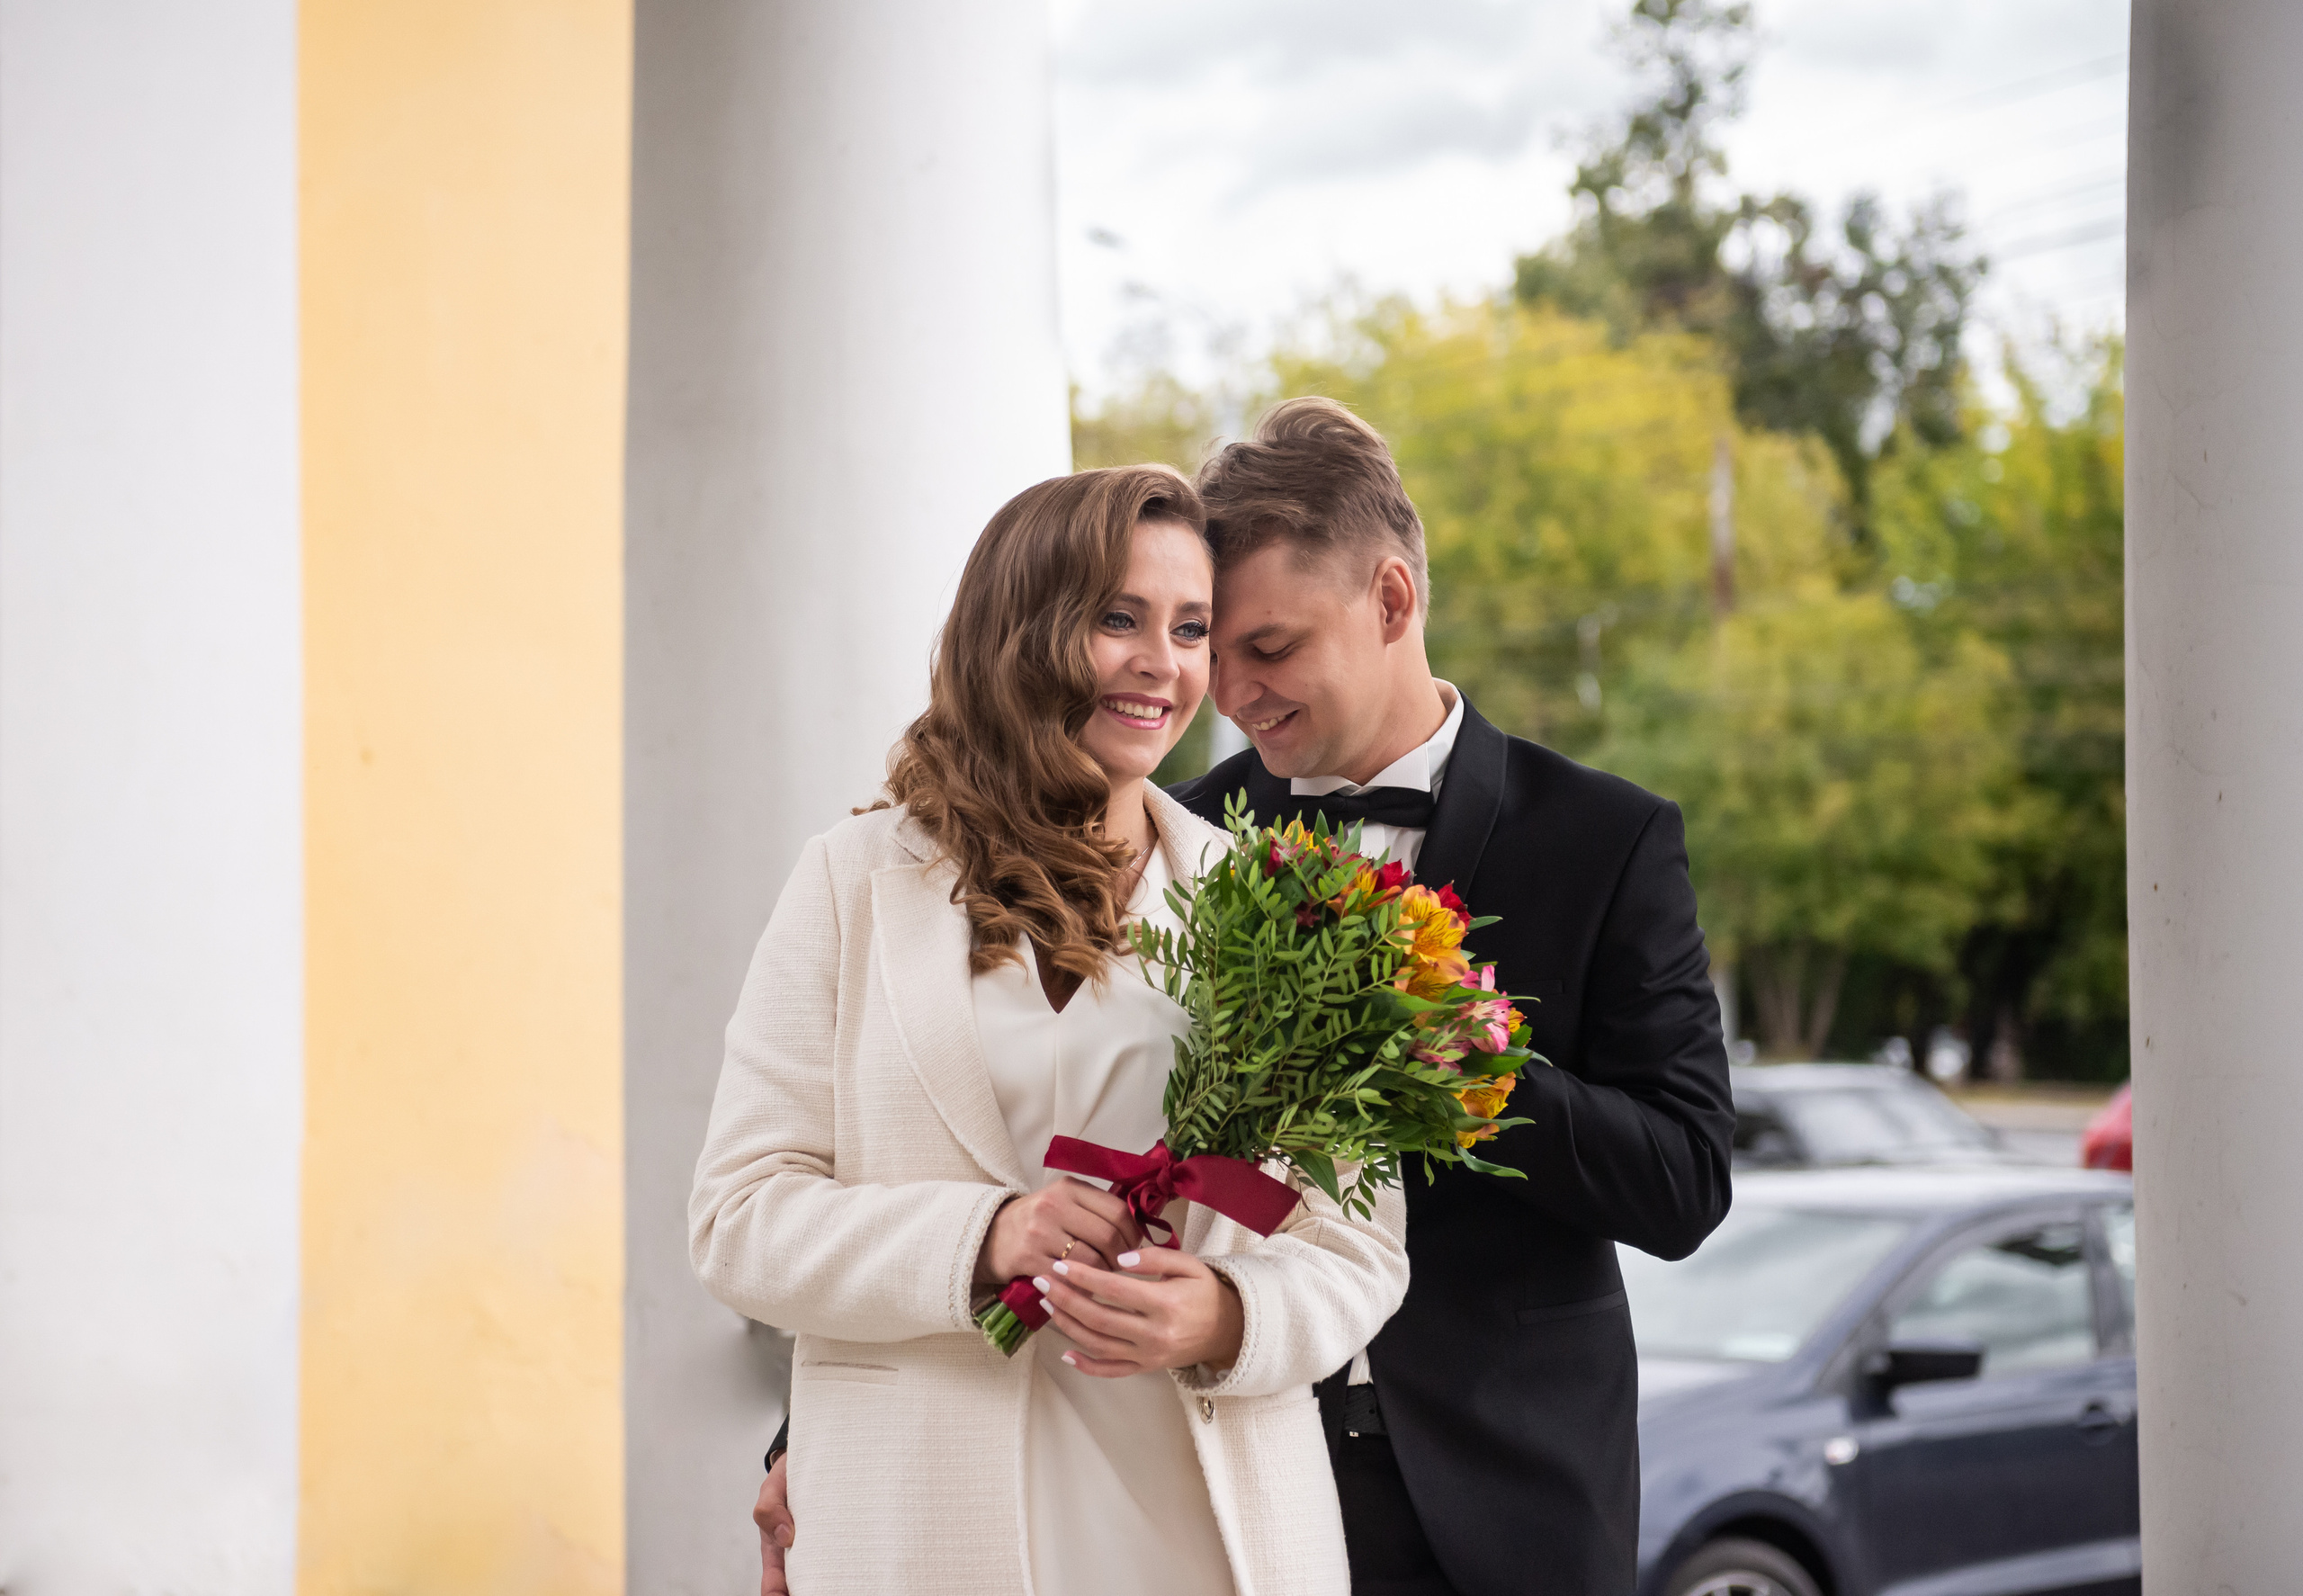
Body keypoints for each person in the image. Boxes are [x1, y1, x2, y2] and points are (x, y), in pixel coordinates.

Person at [751, 403, 1734, 1595]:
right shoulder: (1177, 833)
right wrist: (815, 1430)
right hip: (1223, 1478)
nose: (1230, 689)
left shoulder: (1604, 836)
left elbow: (1683, 1182)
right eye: (1213, 648)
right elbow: (1002, 1114)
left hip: (1508, 1489)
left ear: (1390, 600)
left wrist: (1450, 1053)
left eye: (1267, 647)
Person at [693, 464, 1409, 1596]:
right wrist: (984, 1236)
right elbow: (739, 1220)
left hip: (1207, 1532)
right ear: (1019, 629)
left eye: (1189, 628)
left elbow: (1358, 1248)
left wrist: (1229, 1315)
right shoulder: (851, 881)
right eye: (1117, 618)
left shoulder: (1276, 904)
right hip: (926, 1527)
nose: (1163, 663)